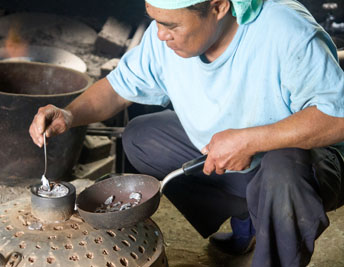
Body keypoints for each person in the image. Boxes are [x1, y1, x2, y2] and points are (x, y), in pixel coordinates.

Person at [29, 0, 344, 266]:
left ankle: (271, 249)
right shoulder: (162, 38)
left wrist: (252, 140)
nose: (160, 35)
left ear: (218, 6)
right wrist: (70, 114)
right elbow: (116, 89)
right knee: (142, 137)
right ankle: (251, 214)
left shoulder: (286, 31)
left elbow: (338, 119)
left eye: (171, 25)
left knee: (282, 168)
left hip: (309, 161)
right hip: (238, 158)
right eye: (154, 21)